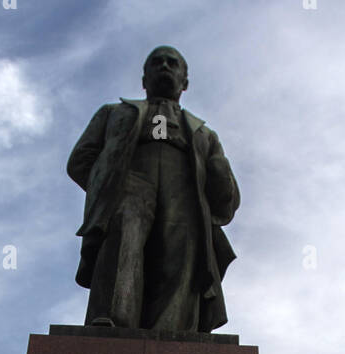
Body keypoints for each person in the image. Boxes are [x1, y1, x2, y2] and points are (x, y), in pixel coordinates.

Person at [67, 46, 240, 331]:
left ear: (185, 82)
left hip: (184, 190)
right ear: (144, 79)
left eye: (172, 63)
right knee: (123, 234)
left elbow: (226, 202)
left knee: (181, 251)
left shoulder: (204, 134)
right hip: (131, 182)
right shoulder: (113, 113)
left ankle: (172, 331)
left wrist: (221, 176)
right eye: (156, 62)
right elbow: (80, 160)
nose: (164, 66)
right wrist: (109, 186)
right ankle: (111, 320)